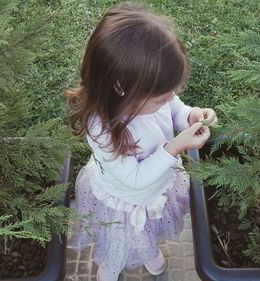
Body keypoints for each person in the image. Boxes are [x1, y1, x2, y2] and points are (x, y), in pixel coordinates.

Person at [65, 3, 218, 281]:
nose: (170, 97)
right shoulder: (102, 128)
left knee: (148, 233)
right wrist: (175, 147)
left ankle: (148, 253)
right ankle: (109, 270)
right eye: (161, 96)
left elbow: (175, 109)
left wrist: (191, 115)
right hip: (122, 201)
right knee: (118, 243)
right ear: (123, 88)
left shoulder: (150, 94)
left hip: (157, 190)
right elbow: (134, 179)